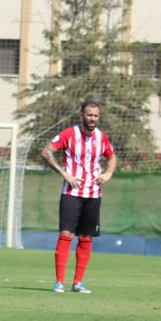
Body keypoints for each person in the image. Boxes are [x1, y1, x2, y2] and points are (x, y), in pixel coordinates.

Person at [41, 100, 117, 293]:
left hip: (93, 194)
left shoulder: (102, 137)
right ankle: (59, 282)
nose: (92, 119)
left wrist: (108, 173)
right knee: (66, 235)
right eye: (89, 115)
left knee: (86, 237)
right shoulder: (69, 134)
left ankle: (78, 283)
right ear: (81, 115)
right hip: (71, 193)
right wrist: (64, 173)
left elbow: (112, 157)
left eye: (96, 116)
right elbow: (46, 151)